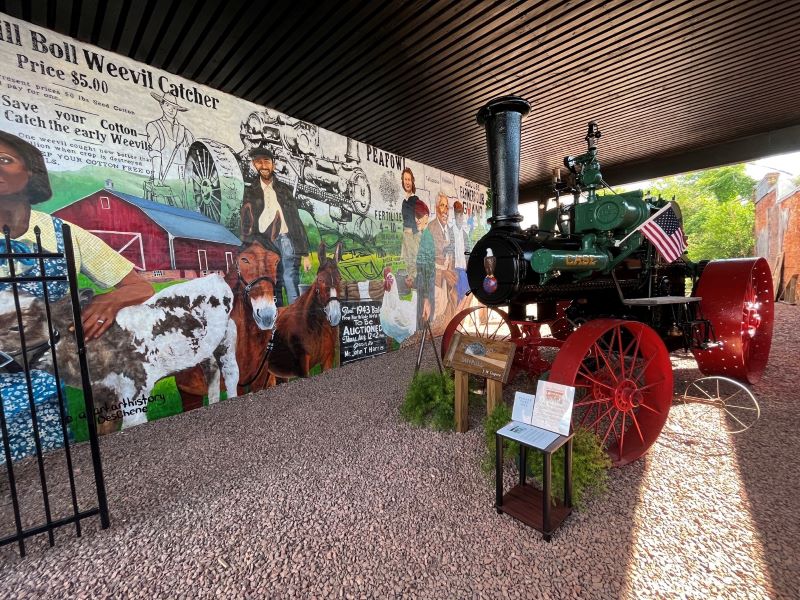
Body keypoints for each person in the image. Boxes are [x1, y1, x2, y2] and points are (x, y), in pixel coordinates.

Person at [0, 130, 154, 341]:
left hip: (55, 357)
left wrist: (109, 301)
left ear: (31, 172)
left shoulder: (62, 233)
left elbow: (140, 287)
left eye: (4, 160)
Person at [240, 146, 311, 305]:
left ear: (273, 164)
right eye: (259, 162)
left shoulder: (284, 191)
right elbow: (246, 221)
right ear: (254, 164)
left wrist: (305, 254)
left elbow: (296, 221)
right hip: (265, 243)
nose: (263, 166)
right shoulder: (250, 191)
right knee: (273, 281)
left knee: (290, 279)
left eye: (266, 161)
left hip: (286, 240)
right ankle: (278, 320)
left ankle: (294, 317)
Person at [146, 92, 195, 186]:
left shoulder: (185, 131)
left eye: (174, 107)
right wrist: (157, 178)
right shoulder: (154, 126)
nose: (171, 109)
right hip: (164, 177)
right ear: (162, 105)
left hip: (184, 181)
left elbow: (194, 156)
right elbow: (155, 153)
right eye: (168, 105)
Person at [400, 167, 420, 289]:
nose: (407, 182)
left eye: (409, 179)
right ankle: (411, 283)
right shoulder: (404, 201)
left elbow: (418, 220)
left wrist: (413, 236)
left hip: (413, 234)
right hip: (405, 234)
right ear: (403, 182)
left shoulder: (415, 200)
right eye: (405, 179)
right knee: (407, 261)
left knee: (413, 261)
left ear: (412, 181)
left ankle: (414, 284)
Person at [451, 201, 471, 303]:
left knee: (465, 295)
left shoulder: (465, 235)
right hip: (454, 270)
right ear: (455, 216)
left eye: (461, 215)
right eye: (458, 215)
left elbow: (468, 253)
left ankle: (463, 317)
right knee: (457, 297)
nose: (460, 218)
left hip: (464, 270)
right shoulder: (450, 232)